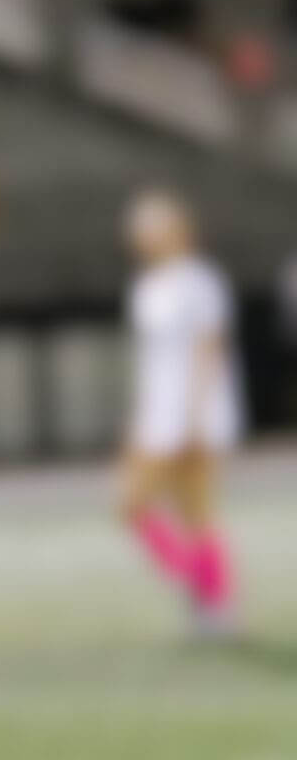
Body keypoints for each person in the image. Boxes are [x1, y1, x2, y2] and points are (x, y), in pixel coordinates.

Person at [119, 188, 245, 636]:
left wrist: (196, 417)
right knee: (134, 504)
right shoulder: (148, 288)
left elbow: (209, 349)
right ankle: (203, 584)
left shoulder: (200, 281)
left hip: (192, 414)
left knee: (194, 510)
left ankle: (215, 606)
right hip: (159, 414)